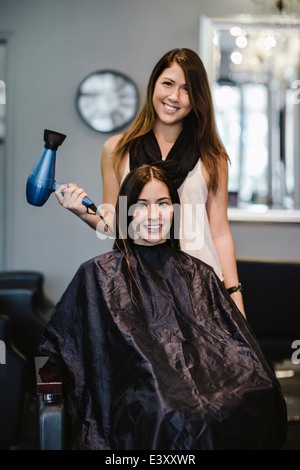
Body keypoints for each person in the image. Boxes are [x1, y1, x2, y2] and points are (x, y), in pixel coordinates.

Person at [40, 164, 287, 451]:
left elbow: (228, 351)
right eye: (141, 205)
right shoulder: (98, 274)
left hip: (201, 387)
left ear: (176, 210)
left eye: (163, 204)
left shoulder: (199, 273)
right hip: (142, 395)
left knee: (258, 391)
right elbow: (69, 346)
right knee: (175, 413)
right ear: (126, 212)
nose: (154, 215)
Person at [55, 48, 245, 316]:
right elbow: (116, 221)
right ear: (153, 85)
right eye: (167, 83)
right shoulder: (117, 149)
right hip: (139, 285)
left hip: (199, 285)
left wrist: (234, 296)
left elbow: (220, 231)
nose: (174, 97)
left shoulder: (213, 157)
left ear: (197, 97)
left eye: (186, 89)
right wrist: (82, 211)